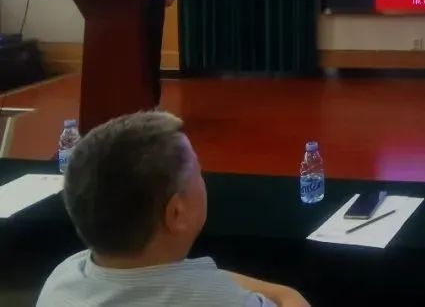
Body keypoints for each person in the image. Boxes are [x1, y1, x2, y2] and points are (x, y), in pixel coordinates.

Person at [37, 111, 309, 307]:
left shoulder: (64, 276)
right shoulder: (222, 301)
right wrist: (289, 295)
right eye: (198, 171)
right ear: (176, 213)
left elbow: (196, 279)